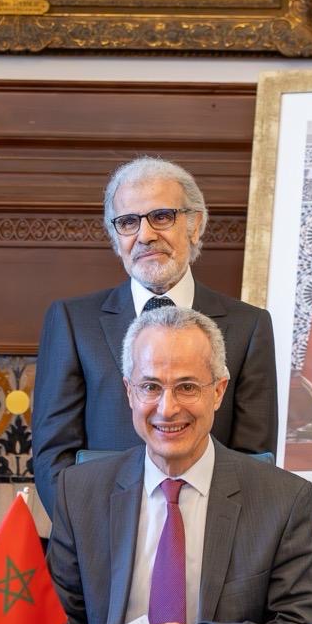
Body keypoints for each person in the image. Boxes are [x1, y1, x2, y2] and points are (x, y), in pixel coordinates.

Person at [43, 306, 312, 624]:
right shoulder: (80, 492)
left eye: (187, 387)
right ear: (129, 392)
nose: (167, 408)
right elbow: (59, 619)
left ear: (218, 392)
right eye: (150, 387)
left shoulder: (284, 500)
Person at [32, 156, 278, 517]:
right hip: (101, 536)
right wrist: (92, 535)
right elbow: (53, 458)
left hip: (212, 539)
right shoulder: (72, 322)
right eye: (128, 222)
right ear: (116, 237)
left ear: (195, 224)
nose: (145, 235)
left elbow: (253, 463)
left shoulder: (249, 326)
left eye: (162, 217)